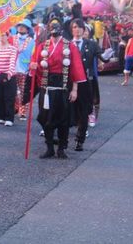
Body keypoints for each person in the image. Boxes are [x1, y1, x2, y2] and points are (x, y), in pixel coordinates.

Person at [30, 18, 86, 159]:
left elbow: (76, 68)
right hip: (47, 86)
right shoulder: (42, 46)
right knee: (45, 116)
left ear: (61, 31)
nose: (54, 35)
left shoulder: (69, 46)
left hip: (63, 85)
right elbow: (35, 65)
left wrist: (75, 89)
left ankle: (61, 148)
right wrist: (33, 66)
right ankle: (49, 147)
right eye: (52, 32)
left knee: (63, 118)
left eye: (56, 32)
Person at [70, 19, 112, 151]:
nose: (77, 30)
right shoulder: (66, 44)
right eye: (74, 27)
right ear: (72, 30)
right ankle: (62, 139)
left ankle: (80, 140)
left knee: (84, 112)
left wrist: (107, 55)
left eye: (79, 27)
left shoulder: (91, 44)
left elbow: (103, 57)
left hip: (85, 82)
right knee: (66, 110)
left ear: (84, 30)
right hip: (68, 83)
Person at [0, 32, 18, 126]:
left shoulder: (12, 49)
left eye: (3, 35)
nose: (1, 37)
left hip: (9, 76)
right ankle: (0, 117)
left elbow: (12, 62)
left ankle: (9, 118)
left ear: (7, 36)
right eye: (0, 35)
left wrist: (9, 75)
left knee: (9, 97)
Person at [12, 19, 35, 121]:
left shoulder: (32, 42)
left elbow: (33, 56)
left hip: (25, 69)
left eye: (23, 26)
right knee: (12, 91)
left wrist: (30, 66)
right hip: (12, 69)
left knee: (24, 92)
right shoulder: (12, 39)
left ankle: (23, 112)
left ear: (28, 29)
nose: (21, 27)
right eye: (19, 25)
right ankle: (14, 108)